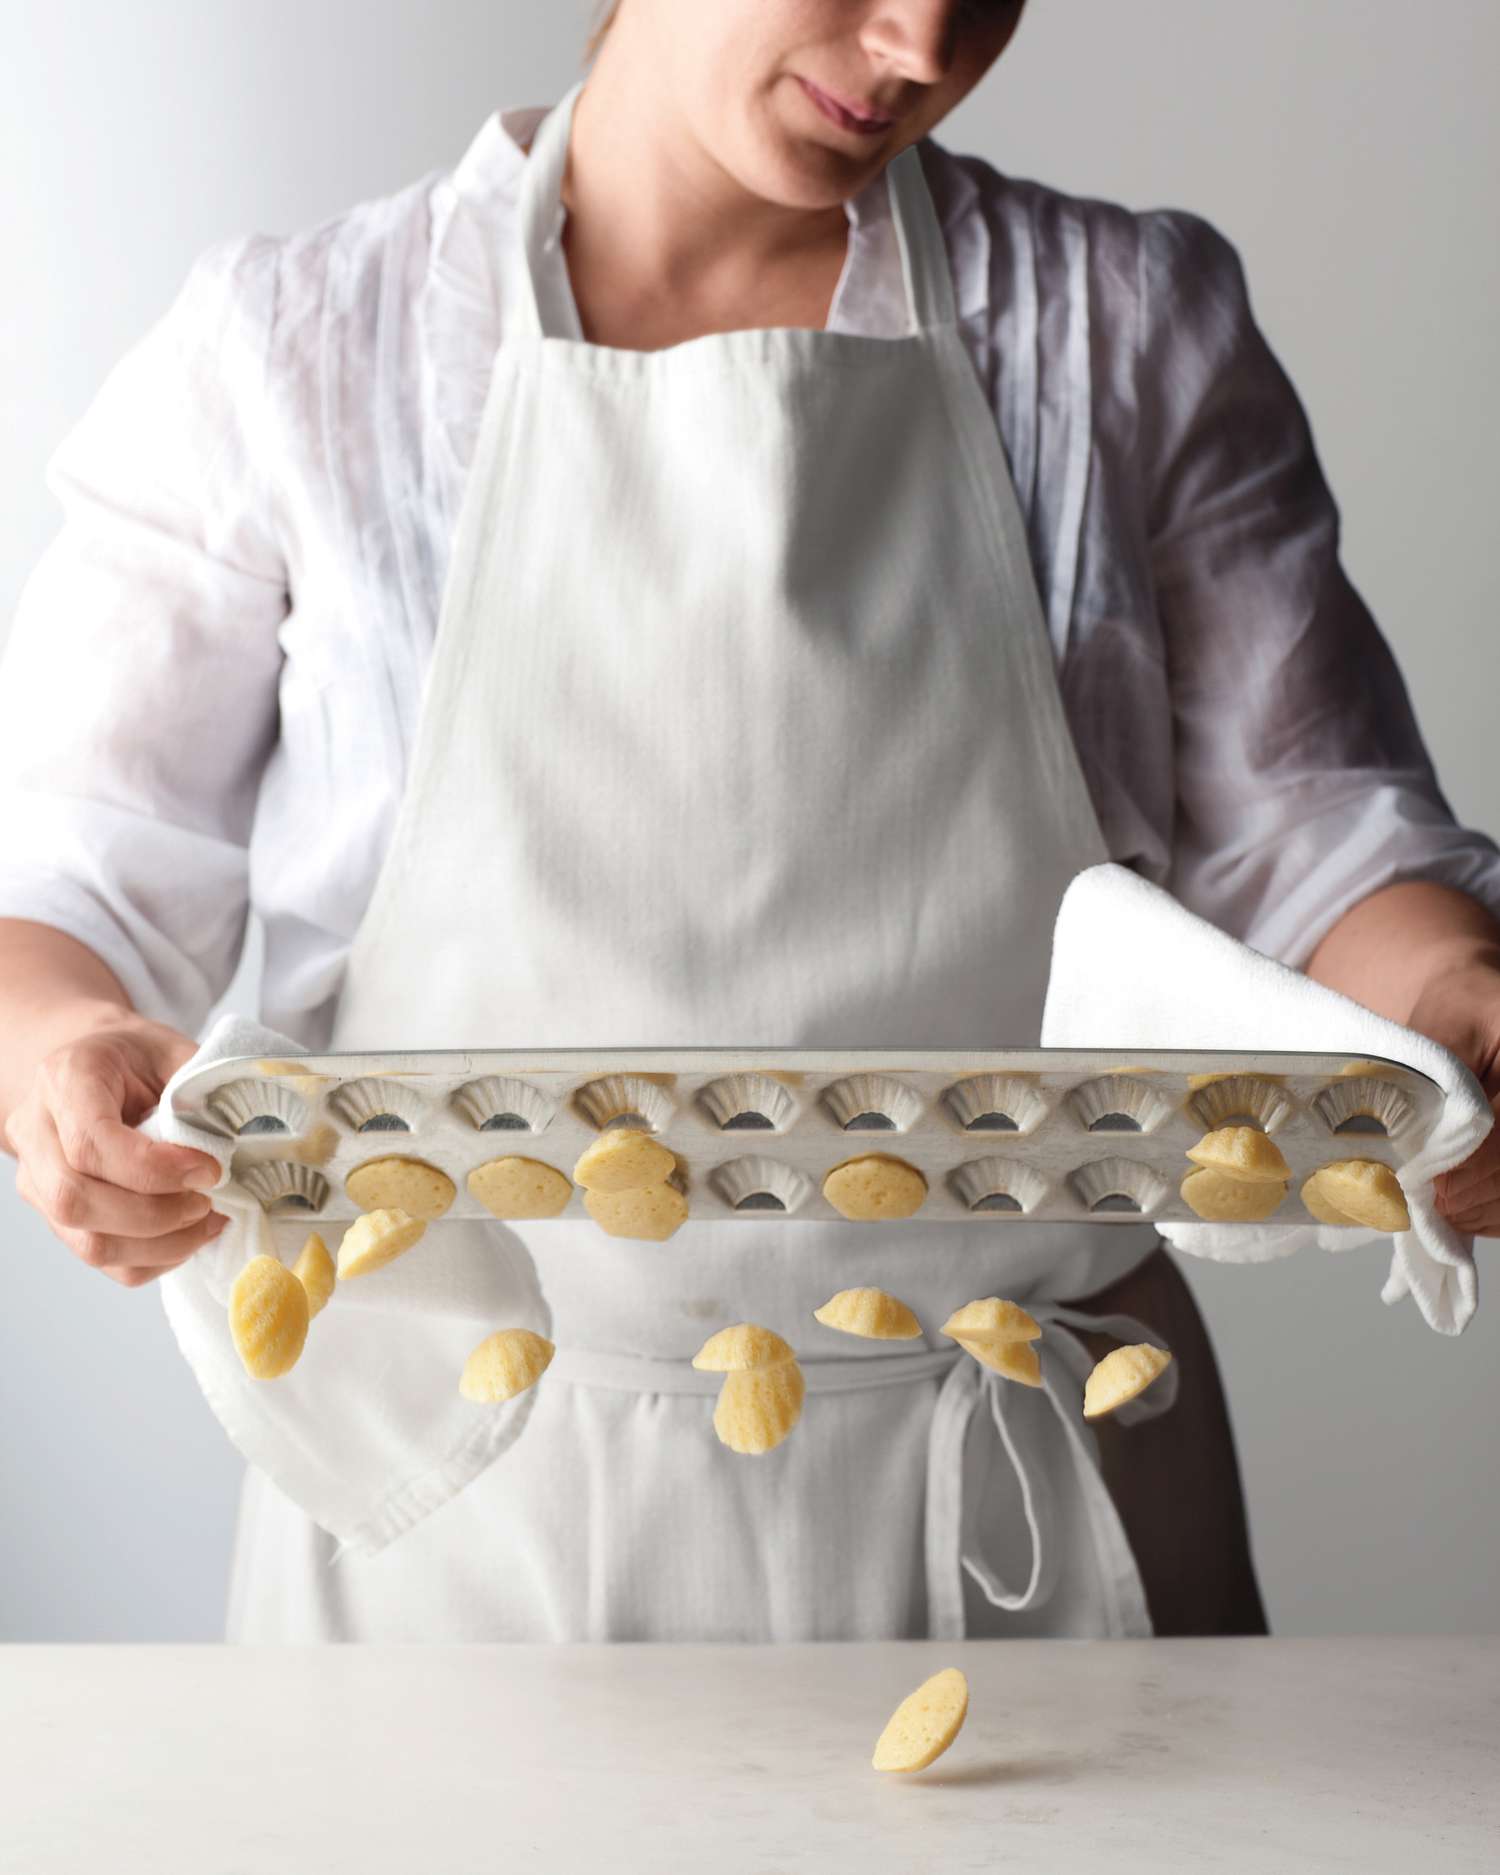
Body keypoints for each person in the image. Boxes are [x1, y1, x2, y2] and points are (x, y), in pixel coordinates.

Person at [3, 0, 1499, 1643]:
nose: (921, 41)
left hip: (1025, 1497)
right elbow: (66, 879)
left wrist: (1447, 1004)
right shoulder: (295, 351)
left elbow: (1323, 839)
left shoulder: (1122, 327)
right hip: (462, 1519)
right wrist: (59, 1057)